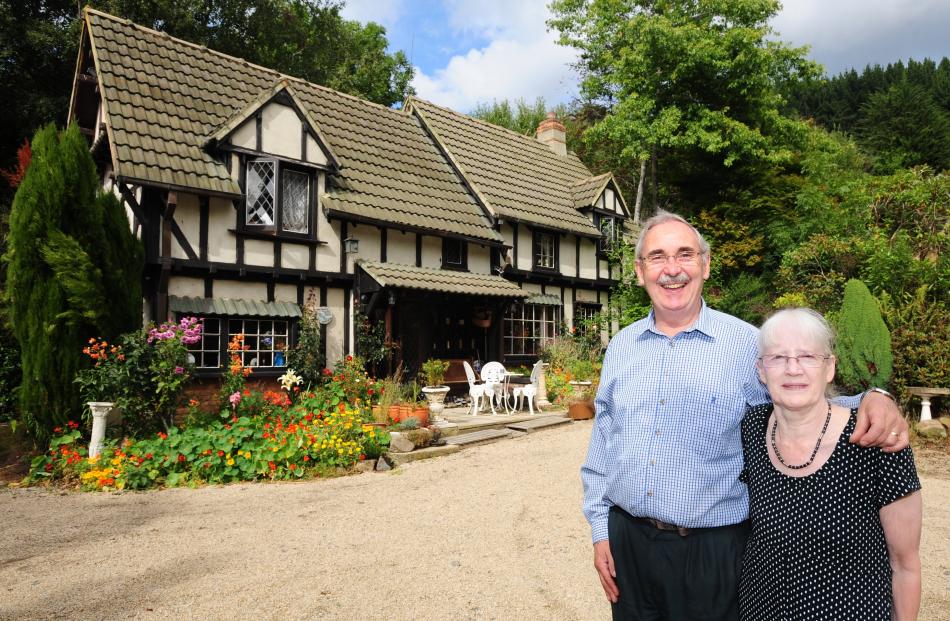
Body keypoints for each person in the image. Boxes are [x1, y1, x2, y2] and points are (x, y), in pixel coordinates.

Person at [581, 211, 909, 621]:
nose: (672, 270)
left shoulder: (745, 345)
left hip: (713, 551)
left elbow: (803, 397)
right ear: (639, 269)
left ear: (705, 264)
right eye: (657, 257)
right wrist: (600, 530)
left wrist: (874, 397)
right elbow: (602, 448)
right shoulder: (622, 346)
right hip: (628, 542)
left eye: (685, 255)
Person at [740, 308, 921, 620]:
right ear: (761, 370)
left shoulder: (874, 441)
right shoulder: (753, 428)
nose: (792, 369)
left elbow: (905, 565)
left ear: (829, 368)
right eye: (778, 358)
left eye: (807, 357)